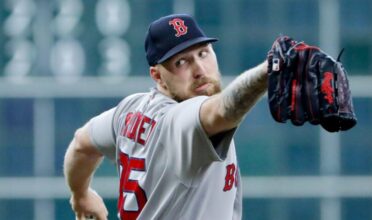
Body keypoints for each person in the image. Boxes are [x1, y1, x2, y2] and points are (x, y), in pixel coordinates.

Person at [64, 14, 268, 220]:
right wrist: (270, 71)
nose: (199, 70)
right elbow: (223, 111)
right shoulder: (179, 121)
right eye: (181, 62)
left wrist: (80, 194)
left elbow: (82, 143)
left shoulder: (128, 110)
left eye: (203, 53)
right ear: (158, 76)